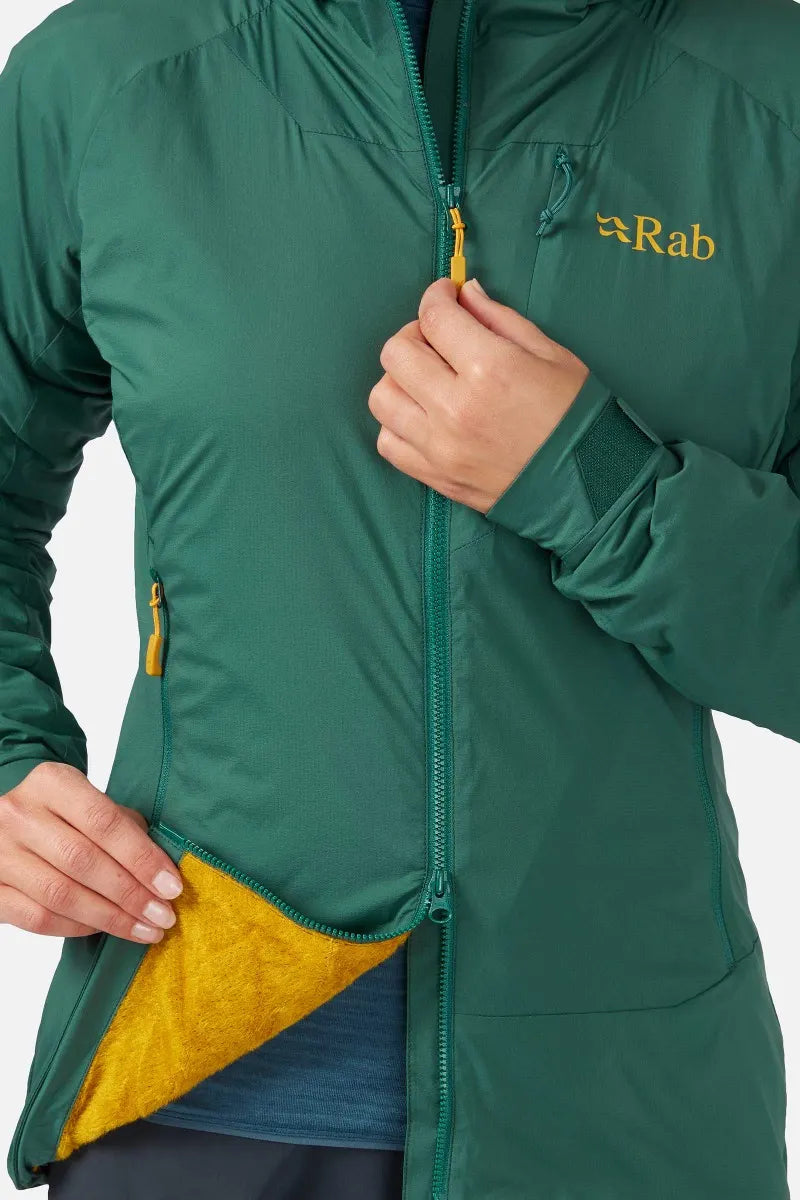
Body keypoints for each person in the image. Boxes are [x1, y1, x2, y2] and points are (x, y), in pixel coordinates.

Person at [1, 0, 800, 1197]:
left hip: (618, 1120)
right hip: (190, 1087)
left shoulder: (767, 90)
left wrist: (591, 482)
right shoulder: (108, 77)